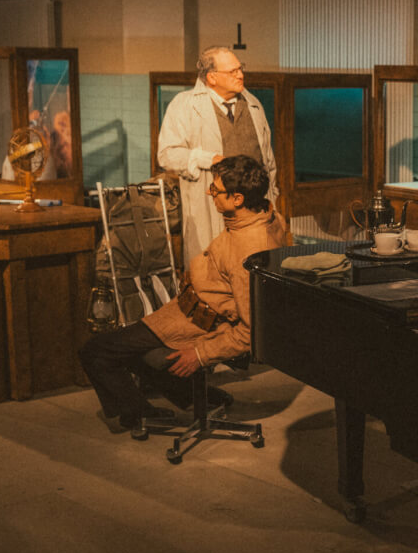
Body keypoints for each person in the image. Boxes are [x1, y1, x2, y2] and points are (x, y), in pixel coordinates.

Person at [79, 155, 287, 432]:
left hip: (198, 323)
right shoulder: (268, 216)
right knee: (133, 346)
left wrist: (200, 354)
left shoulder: (246, 252)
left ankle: (141, 414)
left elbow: (252, 330)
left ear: (238, 199)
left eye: (215, 190)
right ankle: (200, 397)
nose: (208, 192)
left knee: (95, 351)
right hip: (187, 310)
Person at [158, 46, 279, 270]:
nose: (240, 75)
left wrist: (274, 198)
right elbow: (167, 155)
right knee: (215, 276)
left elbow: (268, 163)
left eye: (240, 69)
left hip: (255, 218)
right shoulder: (184, 106)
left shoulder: (254, 105)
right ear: (212, 77)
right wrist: (205, 158)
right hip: (213, 211)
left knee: (257, 276)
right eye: (232, 71)